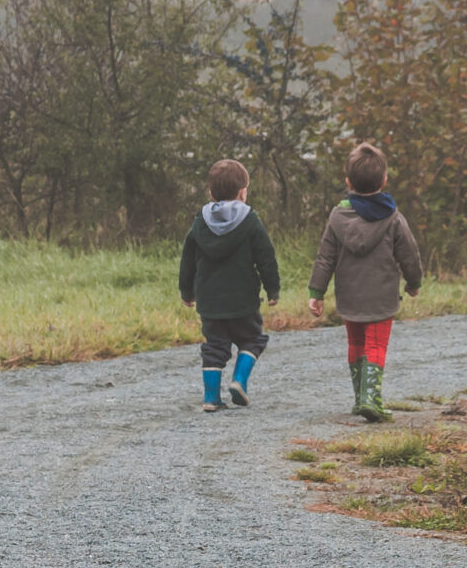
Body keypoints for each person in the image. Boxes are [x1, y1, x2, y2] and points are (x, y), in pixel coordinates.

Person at [306, 140, 423, 421]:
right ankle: (372, 399)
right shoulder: (393, 217)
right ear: (384, 180)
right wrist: (413, 281)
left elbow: (325, 258)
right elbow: (409, 253)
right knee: (376, 345)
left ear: (347, 181)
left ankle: (360, 398)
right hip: (381, 296)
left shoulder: (337, 217)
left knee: (356, 343)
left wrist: (316, 292)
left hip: (349, 295)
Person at [180, 159, 282, 412]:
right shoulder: (250, 221)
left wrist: (186, 291)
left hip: (210, 301)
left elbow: (188, 260)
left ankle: (211, 398)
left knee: (215, 346)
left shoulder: (199, 222)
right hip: (243, 300)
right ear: (242, 192)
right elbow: (265, 257)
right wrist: (273, 289)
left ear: (211, 193)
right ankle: (239, 381)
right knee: (253, 339)